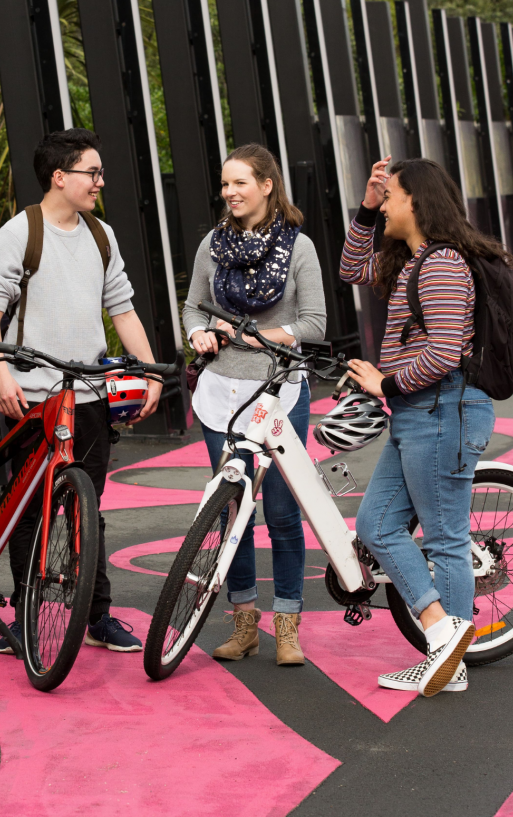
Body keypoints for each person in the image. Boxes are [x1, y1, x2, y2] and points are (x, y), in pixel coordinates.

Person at [0, 127, 162, 655]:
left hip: (89, 398)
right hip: (31, 397)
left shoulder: (101, 235)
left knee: (87, 509)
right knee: (28, 512)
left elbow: (122, 310)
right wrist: (1, 372)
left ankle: (97, 615)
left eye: (101, 173)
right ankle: (26, 616)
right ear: (59, 177)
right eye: (92, 172)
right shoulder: (21, 232)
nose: (100, 182)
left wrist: (151, 373)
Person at [340, 155, 500, 698]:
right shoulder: (410, 261)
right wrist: (366, 207)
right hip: (419, 413)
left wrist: (385, 383)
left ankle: (449, 663)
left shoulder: (443, 264)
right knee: (377, 525)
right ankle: (442, 637)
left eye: (390, 197)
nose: (385, 205)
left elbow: (445, 352)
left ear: (416, 201)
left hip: (442, 409)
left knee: (445, 539)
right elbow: (351, 269)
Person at [183, 144, 326, 667]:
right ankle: (244, 623)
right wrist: (198, 333)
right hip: (219, 392)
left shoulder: (299, 247)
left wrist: (258, 337)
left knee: (283, 513)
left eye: (239, 182)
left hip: (279, 392)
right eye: (225, 184)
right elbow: (192, 307)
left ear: (267, 185)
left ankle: (287, 625)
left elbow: (315, 324)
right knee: (231, 507)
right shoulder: (213, 245)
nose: (229, 192)